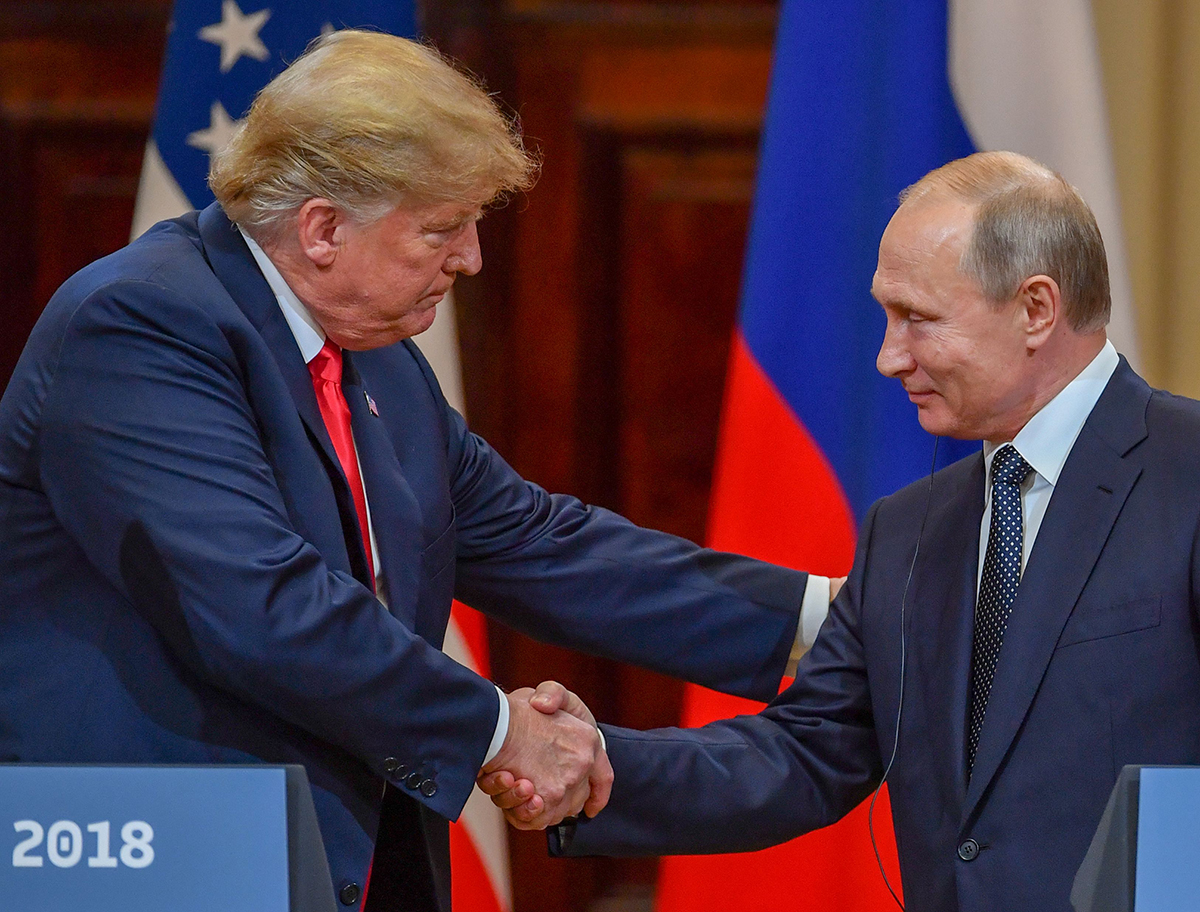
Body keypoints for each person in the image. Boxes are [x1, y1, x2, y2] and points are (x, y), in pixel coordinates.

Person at [0, 30, 834, 912]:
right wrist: (502, 732)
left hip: (336, 859)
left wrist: (834, 619)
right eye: (441, 228)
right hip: (156, 861)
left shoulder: (380, 362)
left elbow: (540, 543)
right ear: (322, 229)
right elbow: (264, 607)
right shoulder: (139, 326)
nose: (471, 257)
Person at [504, 151, 1200, 912]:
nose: (887, 357)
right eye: (885, 316)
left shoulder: (1186, 474)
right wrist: (597, 763)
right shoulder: (911, 529)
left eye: (919, 319)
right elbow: (805, 751)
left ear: (1035, 309)